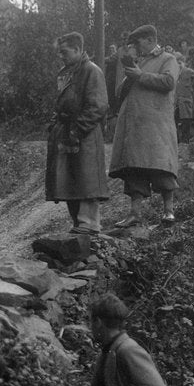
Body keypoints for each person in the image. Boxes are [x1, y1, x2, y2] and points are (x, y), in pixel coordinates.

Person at [109, 24, 181, 227]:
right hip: (135, 124)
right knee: (134, 168)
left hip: (157, 124)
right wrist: (131, 71)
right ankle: (134, 213)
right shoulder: (137, 62)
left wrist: (140, 75)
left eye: (138, 42)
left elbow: (168, 82)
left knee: (162, 167)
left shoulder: (168, 59)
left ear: (150, 40)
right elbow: (119, 93)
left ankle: (169, 211)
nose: (136, 47)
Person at [45, 32, 110, 234]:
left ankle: (89, 224)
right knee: (68, 178)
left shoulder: (92, 71)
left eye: (64, 52)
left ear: (78, 49)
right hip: (66, 131)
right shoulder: (66, 73)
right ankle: (78, 224)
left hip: (86, 134)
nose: (61, 56)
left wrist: (78, 129)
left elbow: (98, 106)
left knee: (87, 177)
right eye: (60, 52)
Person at [176, 52, 194, 144]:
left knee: (186, 120)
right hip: (176, 100)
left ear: (183, 62)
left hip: (186, 98)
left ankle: (185, 140)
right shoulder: (174, 72)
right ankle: (177, 140)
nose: (178, 64)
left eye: (180, 62)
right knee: (175, 120)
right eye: (176, 62)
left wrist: (191, 86)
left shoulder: (188, 71)